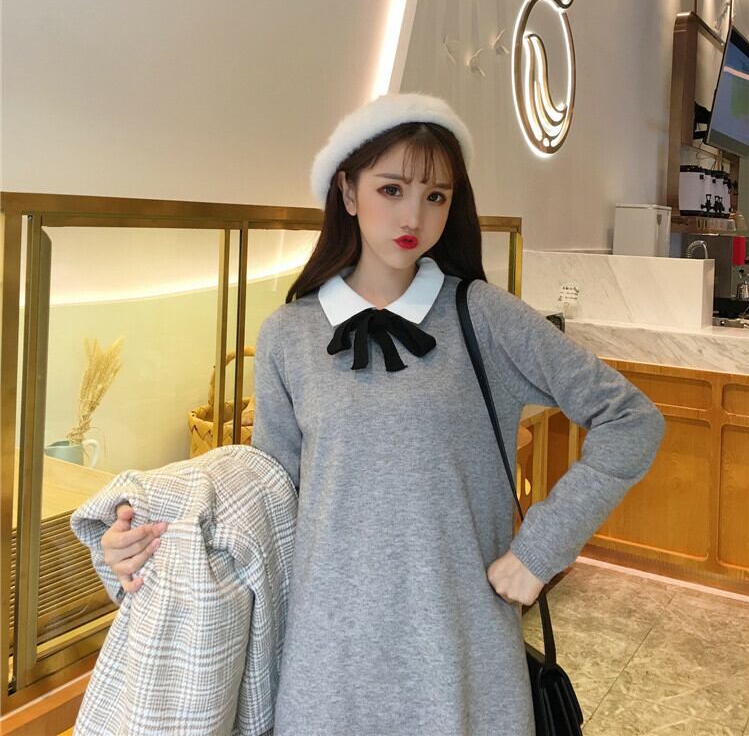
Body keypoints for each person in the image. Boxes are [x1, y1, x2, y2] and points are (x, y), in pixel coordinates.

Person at [100, 92, 665, 735]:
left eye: (435, 196)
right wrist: (153, 544)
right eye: (391, 189)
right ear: (348, 191)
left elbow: (631, 420)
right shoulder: (289, 334)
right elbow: (267, 501)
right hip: (326, 666)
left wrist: (539, 551)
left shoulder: (484, 317)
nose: (413, 216)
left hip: (461, 657)